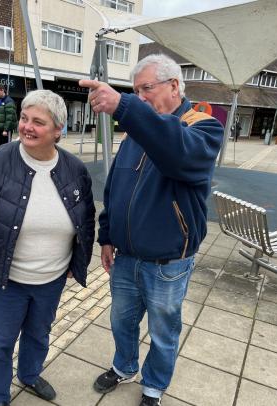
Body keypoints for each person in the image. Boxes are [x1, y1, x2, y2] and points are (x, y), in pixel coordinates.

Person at [79, 53, 224, 406]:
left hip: (168, 261)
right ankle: (124, 367)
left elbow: (178, 153)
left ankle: (154, 386)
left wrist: (126, 106)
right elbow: (114, 187)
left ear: (174, 85)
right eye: (135, 91)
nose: (140, 97)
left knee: (163, 331)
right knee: (121, 321)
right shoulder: (139, 131)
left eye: (146, 89)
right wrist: (108, 236)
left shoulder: (203, 127)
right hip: (127, 255)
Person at [0, 90, 95, 406]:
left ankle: (29, 375)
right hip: (3, 279)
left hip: (51, 278)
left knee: (38, 335)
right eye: (24, 118)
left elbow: (85, 219)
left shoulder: (75, 170)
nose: (27, 127)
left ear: (59, 130)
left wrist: (79, 261)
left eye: (38, 122)